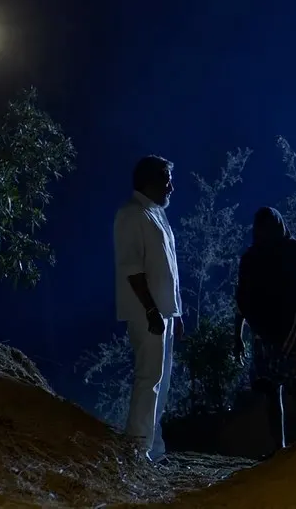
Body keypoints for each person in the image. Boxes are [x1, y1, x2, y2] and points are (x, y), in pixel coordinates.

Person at [233, 207, 296, 456]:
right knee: (277, 393)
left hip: (288, 337)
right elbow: (243, 299)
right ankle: (285, 449)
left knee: (295, 393)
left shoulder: (291, 253)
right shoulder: (255, 258)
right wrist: (237, 336)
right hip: (273, 338)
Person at [113, 154, 184, 462]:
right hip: (148, 313)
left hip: (164, 313)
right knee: (149, 378)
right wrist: (152, 311)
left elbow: (168, 268)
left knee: (161, 380)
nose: (171, 187)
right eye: (167, 180)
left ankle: (152, 449)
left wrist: (176, 312)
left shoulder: (155, 214)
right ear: (150, 181)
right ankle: (137, 450)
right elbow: (132, 269)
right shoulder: (132, 214)